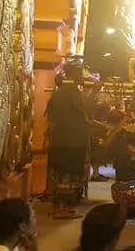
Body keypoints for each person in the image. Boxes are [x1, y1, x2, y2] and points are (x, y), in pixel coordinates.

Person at [46, 61, 89, 219]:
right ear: (74, 74)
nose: (82, 76)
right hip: (71, 142)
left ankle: (58, 206)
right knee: (67, 174)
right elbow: (82, 111)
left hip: (61, 140)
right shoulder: (72, 92)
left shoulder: (59, 91)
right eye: (80, 73)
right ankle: (61, 208)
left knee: (60, 174)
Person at [105, 117, 135, 221]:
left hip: (121, 189)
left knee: (117, 187)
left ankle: (123, 207)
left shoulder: (119, 151)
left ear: (125, 137)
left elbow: (106, 145)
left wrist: (117, 130)